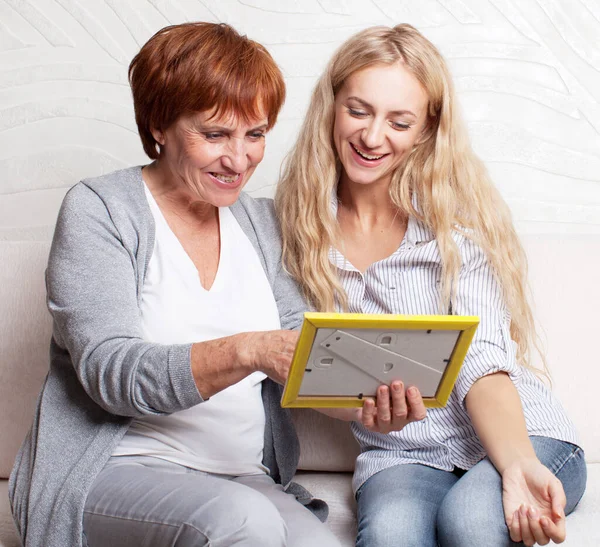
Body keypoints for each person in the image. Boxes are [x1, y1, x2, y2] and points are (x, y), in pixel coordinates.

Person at [9, 22, 342, 547]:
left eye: (254, 134)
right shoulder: (102, 210)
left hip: (240, 476)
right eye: (214, 135)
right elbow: (110, 374)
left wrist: (370, 401)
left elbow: (300, 348)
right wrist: (248, 349)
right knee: (242, 523)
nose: (239, 159)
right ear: (160, 124)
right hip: (116, 468)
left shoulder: (263, 224)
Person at [275, 24, 587, 547]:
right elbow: (302, 366)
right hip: (400, 452)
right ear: (330, 107)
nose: (373, 138)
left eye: (399, 121)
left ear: (425, 130)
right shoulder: (296, 233)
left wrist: (515, 466)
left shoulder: (458, 227)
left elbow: (482, 362)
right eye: (358, 111)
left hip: (524, 436)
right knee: (393, 534)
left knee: (469, 521)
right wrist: (361, 406)